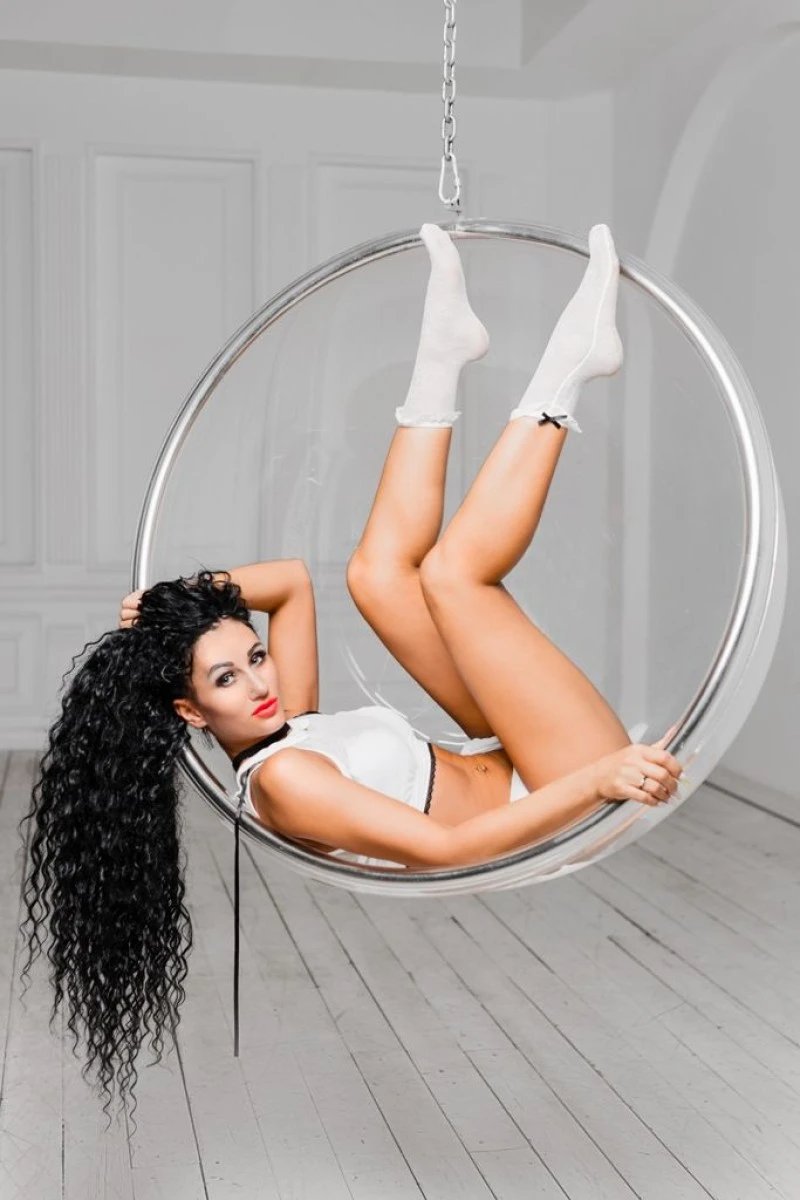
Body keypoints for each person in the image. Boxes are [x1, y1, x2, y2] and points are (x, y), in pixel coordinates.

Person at [18, 222, 684, 1122]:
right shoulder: (287, 780)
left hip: (507, 755)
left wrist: (184, 598)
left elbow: (293, 583)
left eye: (252, 657)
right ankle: (569, 366)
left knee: (375, 576)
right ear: (189, 711)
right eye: (226, 681)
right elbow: (447, 852)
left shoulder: (285, 729)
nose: (261, 682)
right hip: (558, 789)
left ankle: (441, 355)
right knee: (453, 577)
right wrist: (601, 780)